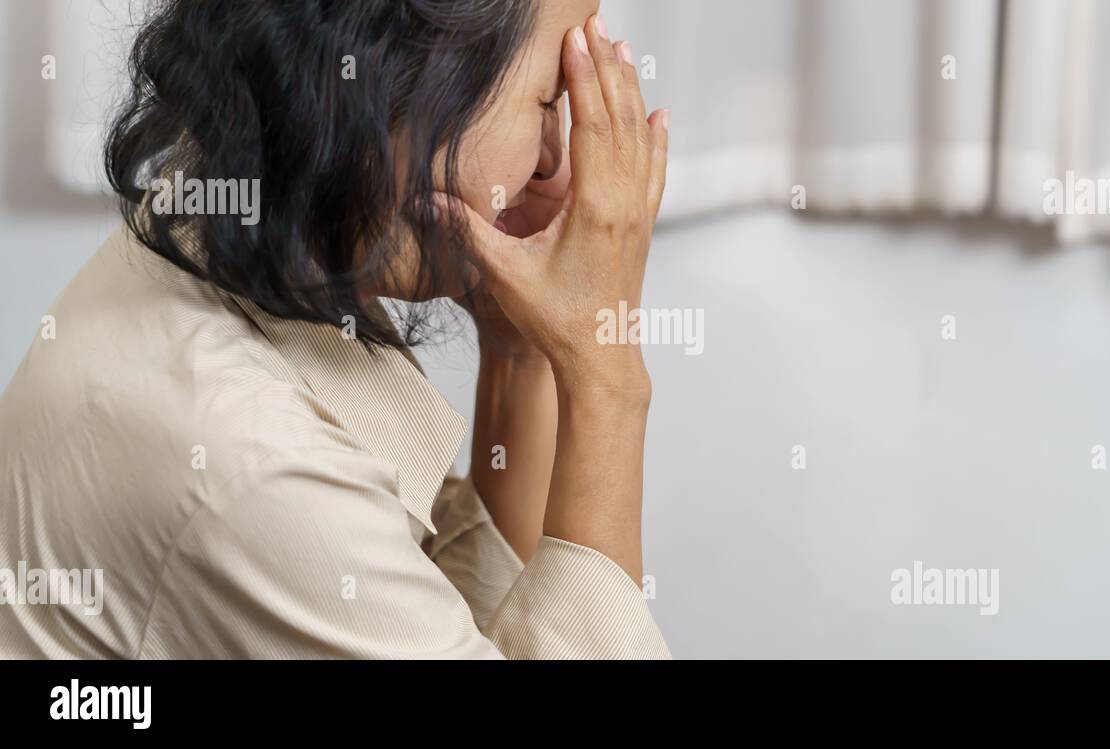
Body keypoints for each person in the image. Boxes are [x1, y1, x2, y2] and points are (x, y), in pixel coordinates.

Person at [0, 0, 671, 659]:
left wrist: (521, 345)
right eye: (549, 102)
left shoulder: (239, 223)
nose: (558, 158)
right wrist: (604, 377)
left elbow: (465, 616)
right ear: (399, 80)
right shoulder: (252, 459)